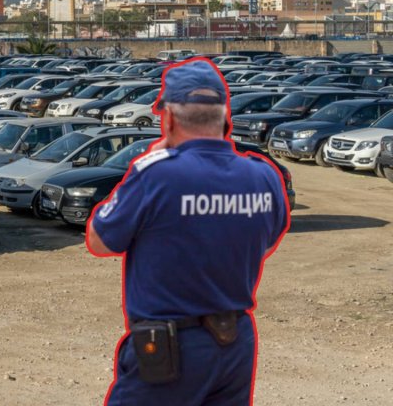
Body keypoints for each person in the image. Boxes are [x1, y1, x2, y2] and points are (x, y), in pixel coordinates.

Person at [87, 58, 290, 405]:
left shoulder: (155, 174)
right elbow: (266, 240)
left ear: (168, 118)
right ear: (226, 118)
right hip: (234, 343)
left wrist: (142, 166)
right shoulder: (264, 176)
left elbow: (100, 240)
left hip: (171, 347)